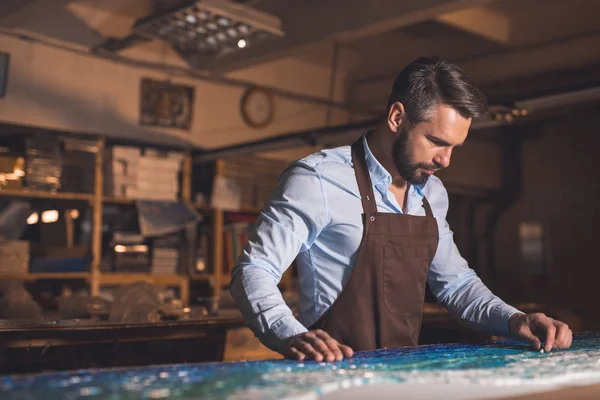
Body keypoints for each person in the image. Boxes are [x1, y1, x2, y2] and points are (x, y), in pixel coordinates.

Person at [230, 56, 573, 362]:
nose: (446, 160)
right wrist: (290, 334)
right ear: (397, 117)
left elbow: (456, 284)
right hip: (330, 377)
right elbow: (254, 269)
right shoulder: (316, 179)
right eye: (437, 142)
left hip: (404, 377)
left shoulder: (432, 195)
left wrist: (515, 319)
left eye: (455, 147)